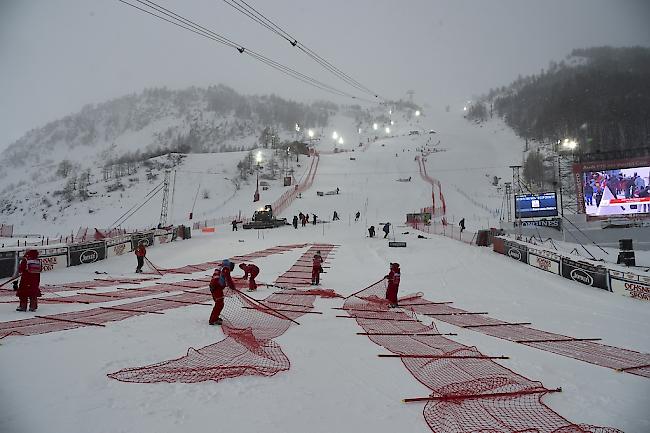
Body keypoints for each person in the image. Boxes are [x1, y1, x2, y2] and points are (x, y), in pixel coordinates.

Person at [209, 259, 236, 325]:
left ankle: (215, 317)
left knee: (218, 303)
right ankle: (213, 320)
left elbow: (222, 277)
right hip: (217, 288)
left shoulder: (220, 267)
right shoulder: (225, 269)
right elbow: (228, 278)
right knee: (219, 304)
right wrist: (232, 287)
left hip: (213, 286)